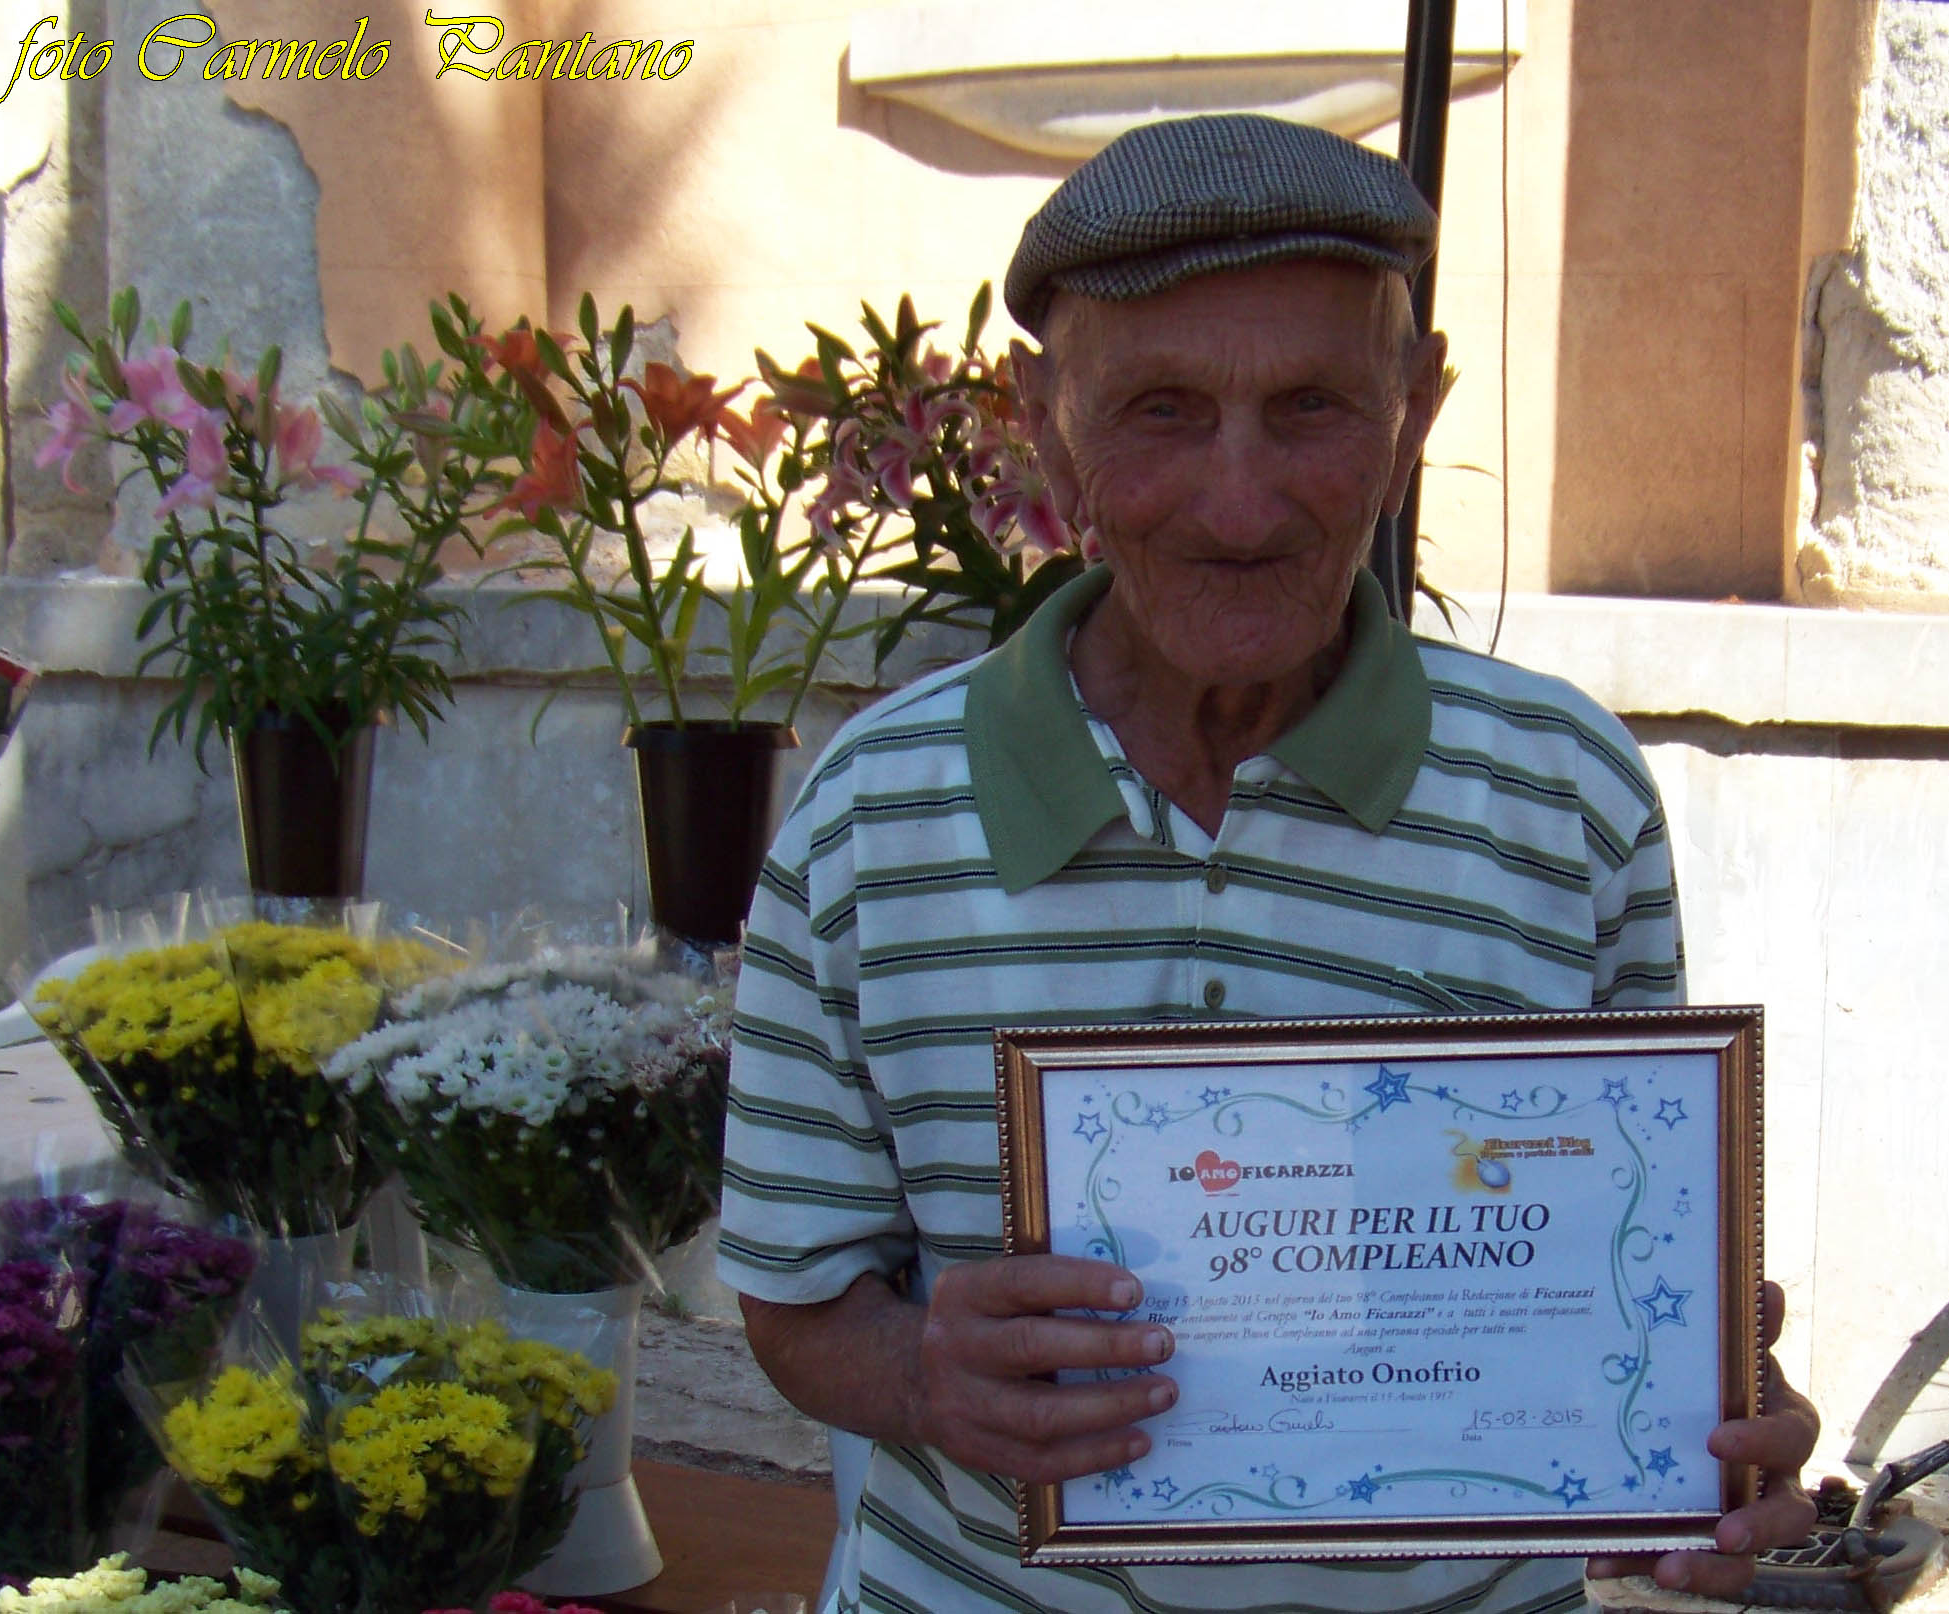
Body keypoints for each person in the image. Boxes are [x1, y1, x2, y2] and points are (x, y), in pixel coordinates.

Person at [720, 112, 1817, 1613]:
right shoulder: (870, 815)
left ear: (1413, 415)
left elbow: (1618, 1248)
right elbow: (795, 1292)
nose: (1239, 504)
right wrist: (924, 1374)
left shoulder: (1565, 797)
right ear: (1048, 425)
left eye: (1311, 408)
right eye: (1160, 410)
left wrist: (1690, 1406)